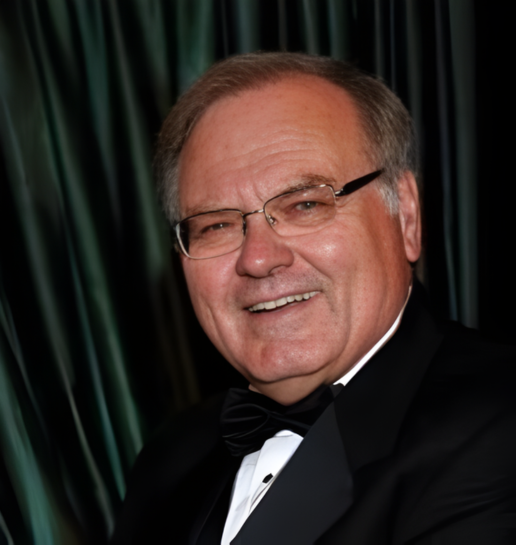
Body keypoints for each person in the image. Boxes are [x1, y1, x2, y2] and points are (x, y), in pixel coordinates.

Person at [111, 52, 516, 544]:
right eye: (216, 225)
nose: (258, 259)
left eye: (305, 204)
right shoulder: (170, 459)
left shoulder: (500, 422)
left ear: (406, 216)